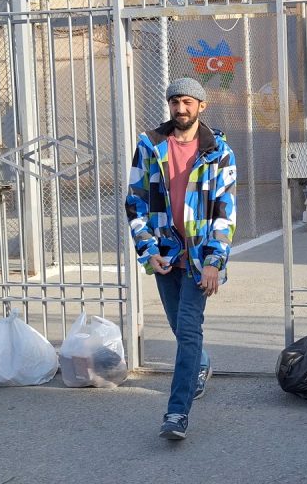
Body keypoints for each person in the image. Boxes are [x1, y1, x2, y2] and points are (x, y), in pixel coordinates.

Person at [125, 77, 237, 441]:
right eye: (174, 101)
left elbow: (225, 212)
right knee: (179, 327)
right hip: (165, 256)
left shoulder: (219, 152)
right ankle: (201, 365)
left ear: (202, 106)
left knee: (188, 331)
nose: (180, 108)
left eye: (188, 101)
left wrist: (214, 261)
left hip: (199, 260)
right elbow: (136, 202)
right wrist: (148, 249)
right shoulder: (150, 145)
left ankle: (176, 412)